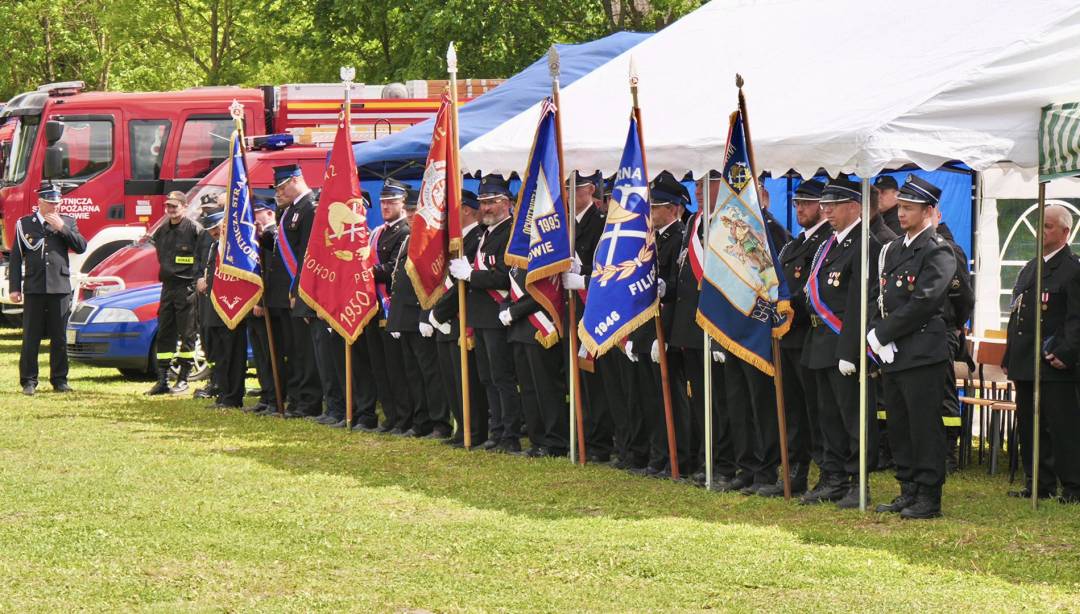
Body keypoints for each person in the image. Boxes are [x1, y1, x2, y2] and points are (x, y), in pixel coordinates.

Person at [870, 174, 956, 519]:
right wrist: (876, 331)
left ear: (928, 210)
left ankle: (929, 495)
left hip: (922, 351)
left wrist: (884, 333)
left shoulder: (937, 249)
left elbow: (924, 301)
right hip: (894, 351)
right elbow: (880, 297)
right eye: (900, 207)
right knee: (900, 424)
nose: (901, 213)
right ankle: (908, 488)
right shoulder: (894, 249)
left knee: (924, 426)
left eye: (909, 208)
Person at [800, 177, 881, 508]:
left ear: (854, 206)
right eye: (825, 206)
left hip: (844, 343)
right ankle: (832, 477)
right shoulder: (829, 244)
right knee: (827, 416)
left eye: (833, 206)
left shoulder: (866, 244)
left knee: (854, 418)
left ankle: (859, 480)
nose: (827, 212)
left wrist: (851, 350)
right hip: (820, 341)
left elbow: (862, 301)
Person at [1003, 203, 1080, 502]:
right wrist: (1010, 354)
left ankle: (1073, 486)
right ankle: (1038, 483)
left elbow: (1075, 319)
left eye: (1048, 226)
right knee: (1030, 425)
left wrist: (1066, 353)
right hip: (1026, 359)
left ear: (1065, 232)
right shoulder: (1031, 266)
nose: (1041, 230)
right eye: (1040, 224)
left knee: (1062, 427)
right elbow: (1018, 313)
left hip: (1054, 361)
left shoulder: (1072, 270)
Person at [668, 171, 733, 489]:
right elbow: (683, 273)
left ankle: (724, 464)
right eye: (696, 184)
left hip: (715, 325)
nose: (698, 190)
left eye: (708, 183)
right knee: (701, 402)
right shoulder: (696, 221)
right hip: (690, 326)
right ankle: (706, 459)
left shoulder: (729, 221)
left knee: (719, 401)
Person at [449, 174, 523, 453]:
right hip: (480, 314)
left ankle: (510, 435)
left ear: (507, 203)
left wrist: (472, 275)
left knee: (502, 377)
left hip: (497, 312)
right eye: (482, 202)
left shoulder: (511, 233)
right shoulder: (487, 233)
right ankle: (497, 429)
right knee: (487, 377)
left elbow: (504, 276)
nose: (486, 208)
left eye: (491, 201)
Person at [767, 179, 830, 497]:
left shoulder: (826, 242)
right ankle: (794, 471)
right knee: (791, 408)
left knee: (814, 410)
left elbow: (813, 292)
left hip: (808, 334)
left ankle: (826, 473)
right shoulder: (792, 245)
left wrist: (787, 307)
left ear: (822, 206)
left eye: (806, 203)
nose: (800, 209)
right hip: (786, 337)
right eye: (797, 204)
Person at [629, 171, 688, 478]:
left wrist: (662, 335)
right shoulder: (650, 240)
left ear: (674, 209)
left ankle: (676, 457)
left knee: (671, 399)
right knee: (650, 398)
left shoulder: (679, 238)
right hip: (645, 328)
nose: (650, 212)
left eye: (656, 207)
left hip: (664, 329)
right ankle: (658, 455)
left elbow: (677, 292)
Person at [9, 184, 87, 395]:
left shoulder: (67, 221)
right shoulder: (25, 224)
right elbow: (15, 258)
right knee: (31, 337)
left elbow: (81, 246)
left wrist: (62, 228)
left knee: (59, 336)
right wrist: (15, 288)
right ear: (40, 202)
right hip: (34, 287)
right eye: (51, 202)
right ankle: (28, 381)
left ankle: (60, 380)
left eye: (57, 202)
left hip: (59, 287)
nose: (55, 206)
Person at [388, 187, 453, 438]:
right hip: (404, 316)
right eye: (408, 210)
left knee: (431, 373)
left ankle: (440, 422)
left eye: (414, 210)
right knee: (413, 373)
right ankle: (421, 420)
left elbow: (436, 280)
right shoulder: (409, 238)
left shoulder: (431, 239)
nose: (409, 215)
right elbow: (399, 279)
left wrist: (428, 313)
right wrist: (395, 318)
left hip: (421, 313)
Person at [561, 171, 616, 462]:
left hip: (594, 309)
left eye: (575, 187)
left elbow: (610, 268)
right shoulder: (565, 225)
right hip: (570, 309)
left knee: (596, 381)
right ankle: (582, 434)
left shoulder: (602, 223)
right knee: (578, 378)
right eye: (566, 188)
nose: (569, 194)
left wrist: (582, 277)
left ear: (591, 189)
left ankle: (599, 442)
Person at [431, 189, 490, 446]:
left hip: (462, 317)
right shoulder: (455, 241)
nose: (445, 215)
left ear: (466, 209)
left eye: (451, 209)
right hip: (445, 319)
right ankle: (461, 429)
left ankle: (473, 431)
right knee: (451, 377)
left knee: (467, 380)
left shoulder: (476, 239)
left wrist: (439, 312)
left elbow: (462, 285)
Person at [273, 164, 323, 418]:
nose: (279, 193)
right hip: (286, 291)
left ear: (295, 180)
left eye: (282, 187)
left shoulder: (309, 208)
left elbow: (307, 255)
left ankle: (309, 401)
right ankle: (296, 397)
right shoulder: (290, 210)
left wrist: (297, 291)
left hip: (299, 290)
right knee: (293, 349)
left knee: (305, 350)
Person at [367, 177, 413, 433]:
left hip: (391, 307)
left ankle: (404, 417)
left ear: (402, 203)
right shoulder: (378, 232)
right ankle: (391, 415)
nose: (385, 206)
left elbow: (393, 269)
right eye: (383, 202)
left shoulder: (405, 231)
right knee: (380, 367)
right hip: (373, 308)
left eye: (391, 202)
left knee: (396, 368)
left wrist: (364, 271)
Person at [146, 190, 203, 395]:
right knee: (164, 333)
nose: (170, 209)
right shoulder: (162, 230)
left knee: (188, 334)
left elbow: (202, 258)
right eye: (168, 206)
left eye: (174, 206)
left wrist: (196, 282)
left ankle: (183, 379)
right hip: (168, 288)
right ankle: (162, 380)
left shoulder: (194, 229)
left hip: (187, 288)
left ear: (184, 207)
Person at [197, 211, 248, 409]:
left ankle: (233, 397)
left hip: (231, 308)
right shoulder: (213, 246)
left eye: (217, 228)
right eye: (211, 230)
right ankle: (223, 394)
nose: (214, 233)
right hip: (213, 307)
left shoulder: (234, 247)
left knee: (233, 355)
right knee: (219, 355)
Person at [246, 197, 289, 414]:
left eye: (258, 212)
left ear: (270, 213)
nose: (254, 217)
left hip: (269, 304)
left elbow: (270, 271)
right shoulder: (258, 236)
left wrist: (261, 300)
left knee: (272, 354)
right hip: (255, 303)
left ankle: (275, 397)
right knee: (261, 355)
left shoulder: (274, 235)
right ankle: (266, 395)